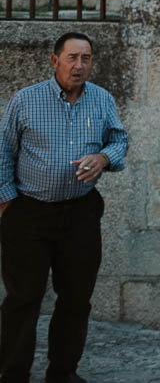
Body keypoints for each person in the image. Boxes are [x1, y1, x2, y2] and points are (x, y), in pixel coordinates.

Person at [0, 32, 129, 383]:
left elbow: (119, 140)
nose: (79, 65)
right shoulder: (26, 100)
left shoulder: (101, 100)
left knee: (76, 299)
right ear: (55, 61)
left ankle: (63, 373)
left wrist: (103, 158)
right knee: (23, 299)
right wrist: (8, 204)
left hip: (80, 214)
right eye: (72, 57)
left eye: (86, 58)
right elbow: (3, 152)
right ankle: (12, 374)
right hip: (28, 213)